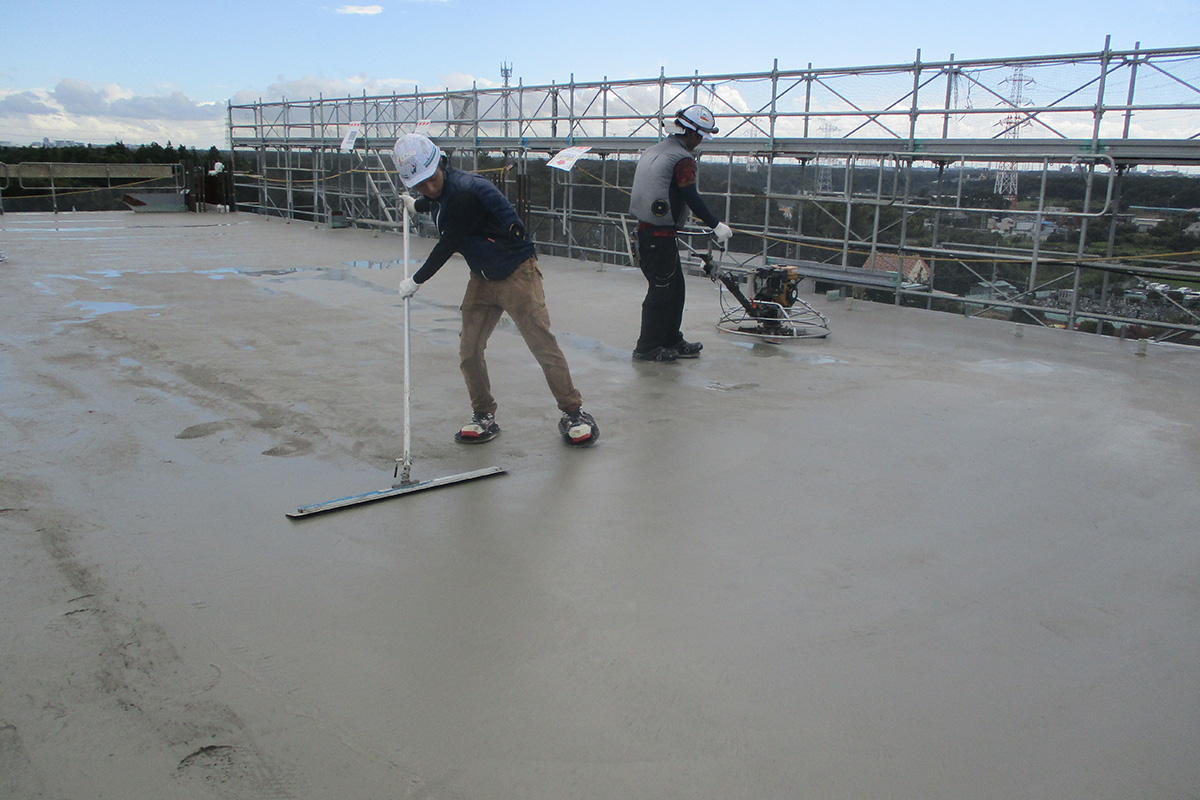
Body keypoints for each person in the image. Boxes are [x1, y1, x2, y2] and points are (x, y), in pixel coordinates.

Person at [392, 133, 599, 447]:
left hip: (517, 272)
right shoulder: (442, 191)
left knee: (542, 344)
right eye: (420, 185)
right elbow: (437, 199)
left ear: (441, 165)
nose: (429, 187)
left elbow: (448, 243)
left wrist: (417, 280)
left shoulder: (466, 192)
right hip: (482, 277)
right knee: (469, 350)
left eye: (432, 179)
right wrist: (417, 204)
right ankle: (483, 414)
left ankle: (574, 412)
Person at [628, 104, 733, 362]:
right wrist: (715, 224)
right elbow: (691, 196)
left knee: (675, 290)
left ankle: (671, 339)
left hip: (651, 234)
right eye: (700, 136)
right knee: (660, 291)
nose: (700, 142)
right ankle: (647, 347)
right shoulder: (683, 160)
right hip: (658, 237)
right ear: (692, 133)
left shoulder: (654, 150)